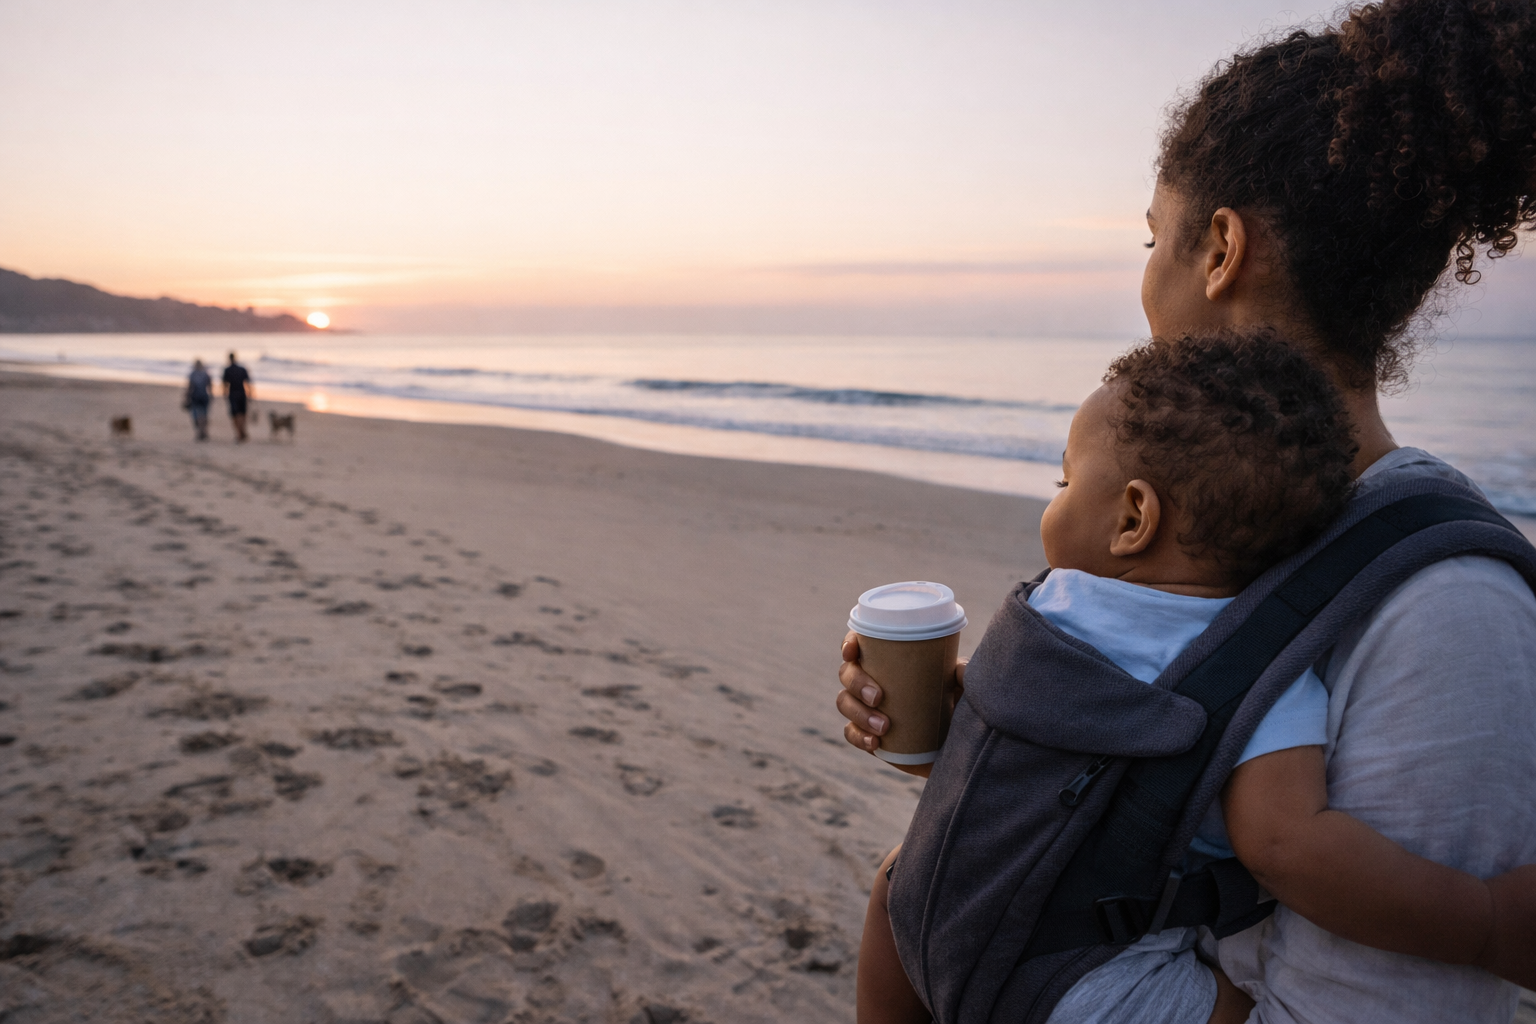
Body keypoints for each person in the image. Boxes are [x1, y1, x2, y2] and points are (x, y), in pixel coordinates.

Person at [838, 0, 1536, 1019]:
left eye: (1154, 238)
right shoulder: (1206, 530)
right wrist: (966, 730)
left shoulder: (1448, 613)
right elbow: (1140, 805)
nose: (1145, 281)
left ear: (1218, 250)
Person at [852, 333, 1536, 1024]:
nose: (1053, 502)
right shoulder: (1267, 677)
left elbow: (1006, 760)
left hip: (932, 912)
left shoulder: (1051, 611)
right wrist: (1487, 923)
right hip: (1074, 984)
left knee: (892, 878)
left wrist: (916, 708)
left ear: (1133, 517)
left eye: (1064, 482)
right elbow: (1285, 845)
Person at [222, 351, 254, 443]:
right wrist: (250, 394)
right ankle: (242, 431)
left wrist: (225, 393)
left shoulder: (228, 370)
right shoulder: (242, 369)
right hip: (242, 393)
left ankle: (240, 433)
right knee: (242, 414)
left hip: (233, 394)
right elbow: (248, 383)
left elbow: (225, 384)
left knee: (235, 415)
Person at [184, 358, 211, 441]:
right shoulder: (206, 374)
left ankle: (200, 432)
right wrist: (211, 396)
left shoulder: (193, 374)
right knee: (204, 414)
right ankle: (203, 431)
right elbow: (210, 386)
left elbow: (190, 387)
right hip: (204, 396)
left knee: (196, 415)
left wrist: (187, 397)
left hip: (195, 397)